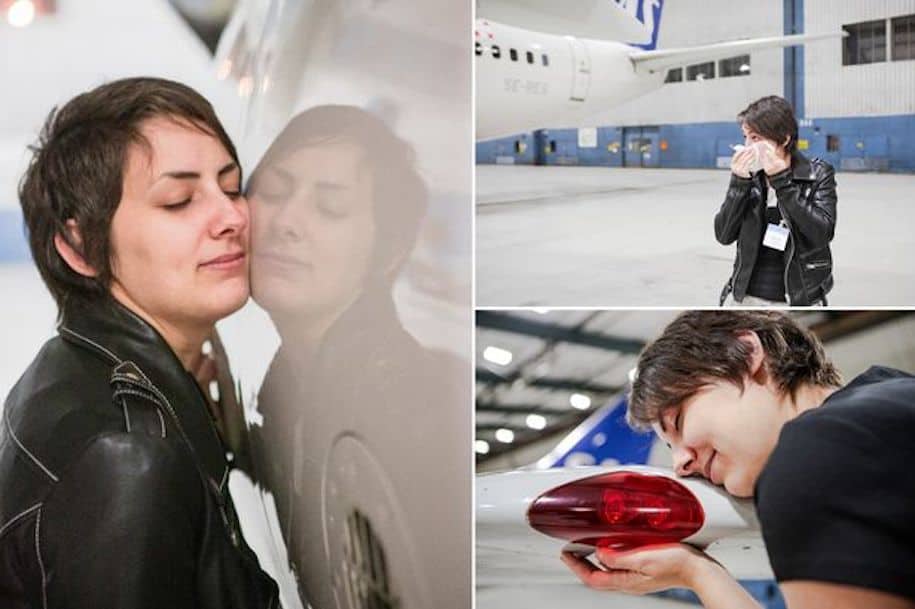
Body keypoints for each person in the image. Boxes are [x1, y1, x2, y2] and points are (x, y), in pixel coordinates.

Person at [0, 77, 279, 608]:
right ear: (79, 245)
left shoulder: (74, 364)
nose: (231, 218)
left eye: (232, 186)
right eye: (178, 201)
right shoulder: (127, 459)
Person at [243, 105, 468, 609]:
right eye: (275, 192)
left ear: (386, 254)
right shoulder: (288, 388)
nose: (286, 222)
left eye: (331, 207)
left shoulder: (405, 415)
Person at [561, 311, 915, 609]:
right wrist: (695, 572)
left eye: (679, 422)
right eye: (671, 448)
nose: (681, 465)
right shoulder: (891, 398)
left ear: (746, 353)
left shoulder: (811, 456)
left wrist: (695, 573)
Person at [715, 96, 837, 306]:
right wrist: (738, 183)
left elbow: (821, 233)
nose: (747, 146)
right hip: (746, 298)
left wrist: (782, 181)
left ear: (784, 139)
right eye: (746, 137)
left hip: (798, 300)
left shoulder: (817, 173)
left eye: (755, 138)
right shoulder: (751, 177)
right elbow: (724, 235)